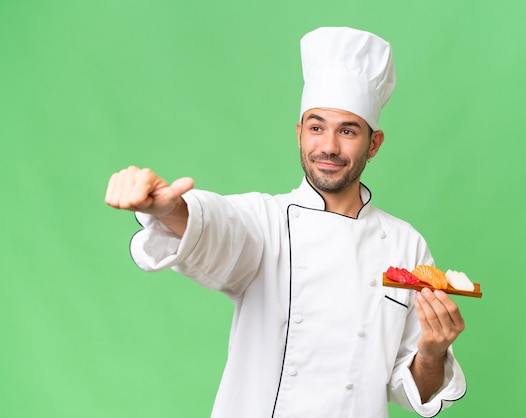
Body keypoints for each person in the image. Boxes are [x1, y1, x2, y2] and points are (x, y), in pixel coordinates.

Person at [105, 27, 467, 417]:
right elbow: (219, 231)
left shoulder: (404, 244)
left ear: (373, 144)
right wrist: (170, 210)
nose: (328, 146)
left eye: (347, 130)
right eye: (316, 127)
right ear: (299, 134)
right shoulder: (265, 221)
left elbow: (411, 387)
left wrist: (432, 350)